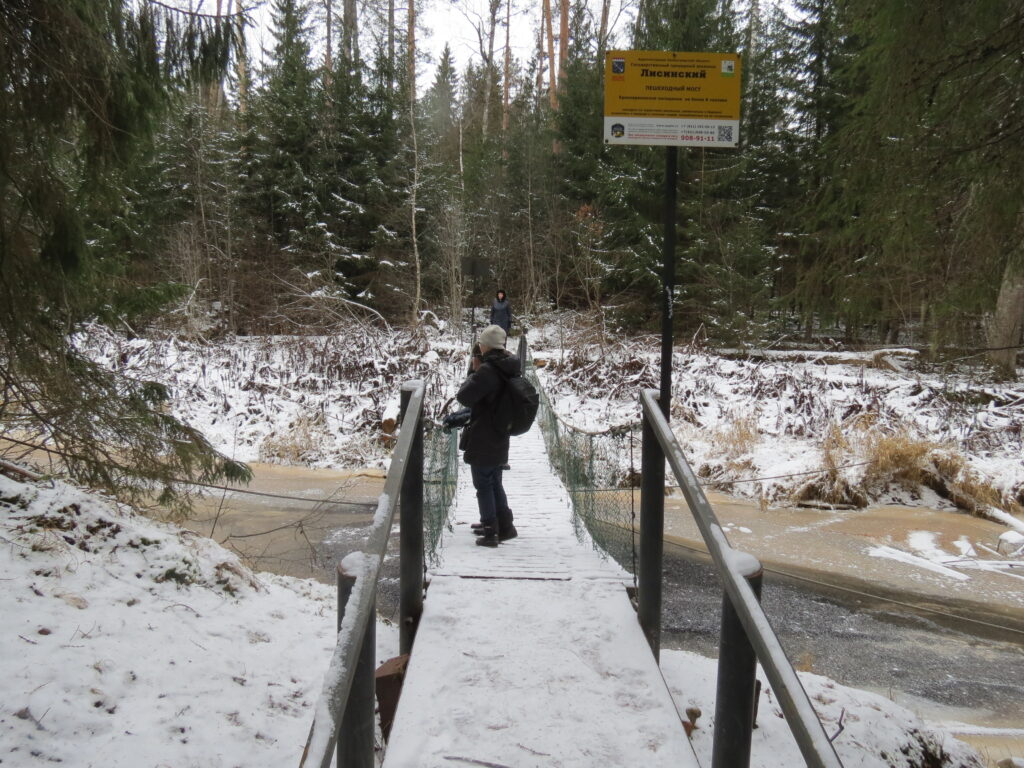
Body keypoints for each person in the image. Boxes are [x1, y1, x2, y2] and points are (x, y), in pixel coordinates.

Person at [455, 324, 519, 547]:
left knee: (483, 482)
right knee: (494, 481)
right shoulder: (508, 366)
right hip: (500, 432)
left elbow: (464, 396)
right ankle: (505, 526)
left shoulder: (488, 371)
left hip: (484, 433)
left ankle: (491, 531)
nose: (479, 347)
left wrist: (474, 371)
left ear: (486, 346)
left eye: (481, 343)